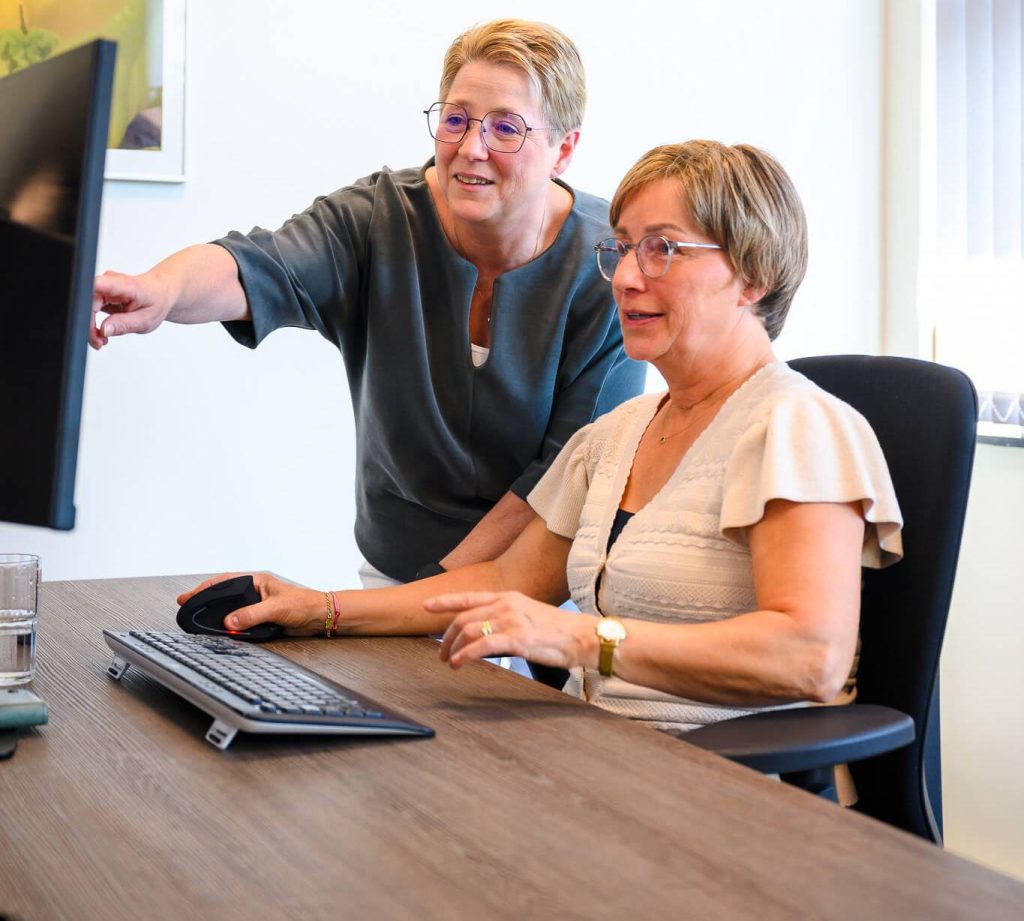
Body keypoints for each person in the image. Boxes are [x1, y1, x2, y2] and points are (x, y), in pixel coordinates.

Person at [178, 139, 904, 740]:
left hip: (726, 792)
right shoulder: (615, 438)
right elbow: (501, 583)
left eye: (662, 250)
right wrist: (321, 609)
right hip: (602, 761)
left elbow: (810, 655)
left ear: (752, 273)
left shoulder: (796, 425)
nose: (624, 277)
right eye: (621, 249)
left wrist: (584, 639)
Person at [91, 19, 644, 587]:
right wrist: (161, 289)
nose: (471, 148)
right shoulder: (378, 219)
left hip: (545, 583)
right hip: (396, 571)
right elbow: (257, 265)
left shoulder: (613, 267)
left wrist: (414, 605)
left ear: (564, 150)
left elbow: (563, 478)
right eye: (455, 119)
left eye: (506, 129)